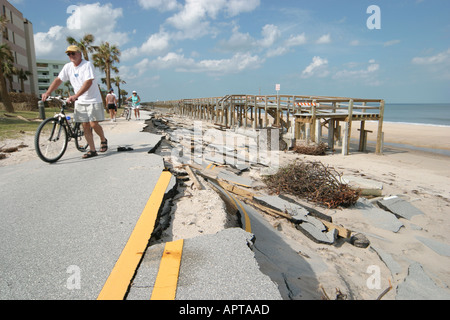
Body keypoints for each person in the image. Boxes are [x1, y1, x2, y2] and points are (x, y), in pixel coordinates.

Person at [42, 45, 108, 159]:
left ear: (80, 54)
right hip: (80, 101)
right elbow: (58, 80)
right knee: (85, 125)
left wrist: (76, 95)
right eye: (69, 54)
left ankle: (103, 139)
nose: (71, 56)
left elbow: (88, 82)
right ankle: (92, 150)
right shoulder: (68, 67)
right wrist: (48, 92)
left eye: (73, 53)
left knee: (93, 124)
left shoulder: (87, 65)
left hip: (93, 99)